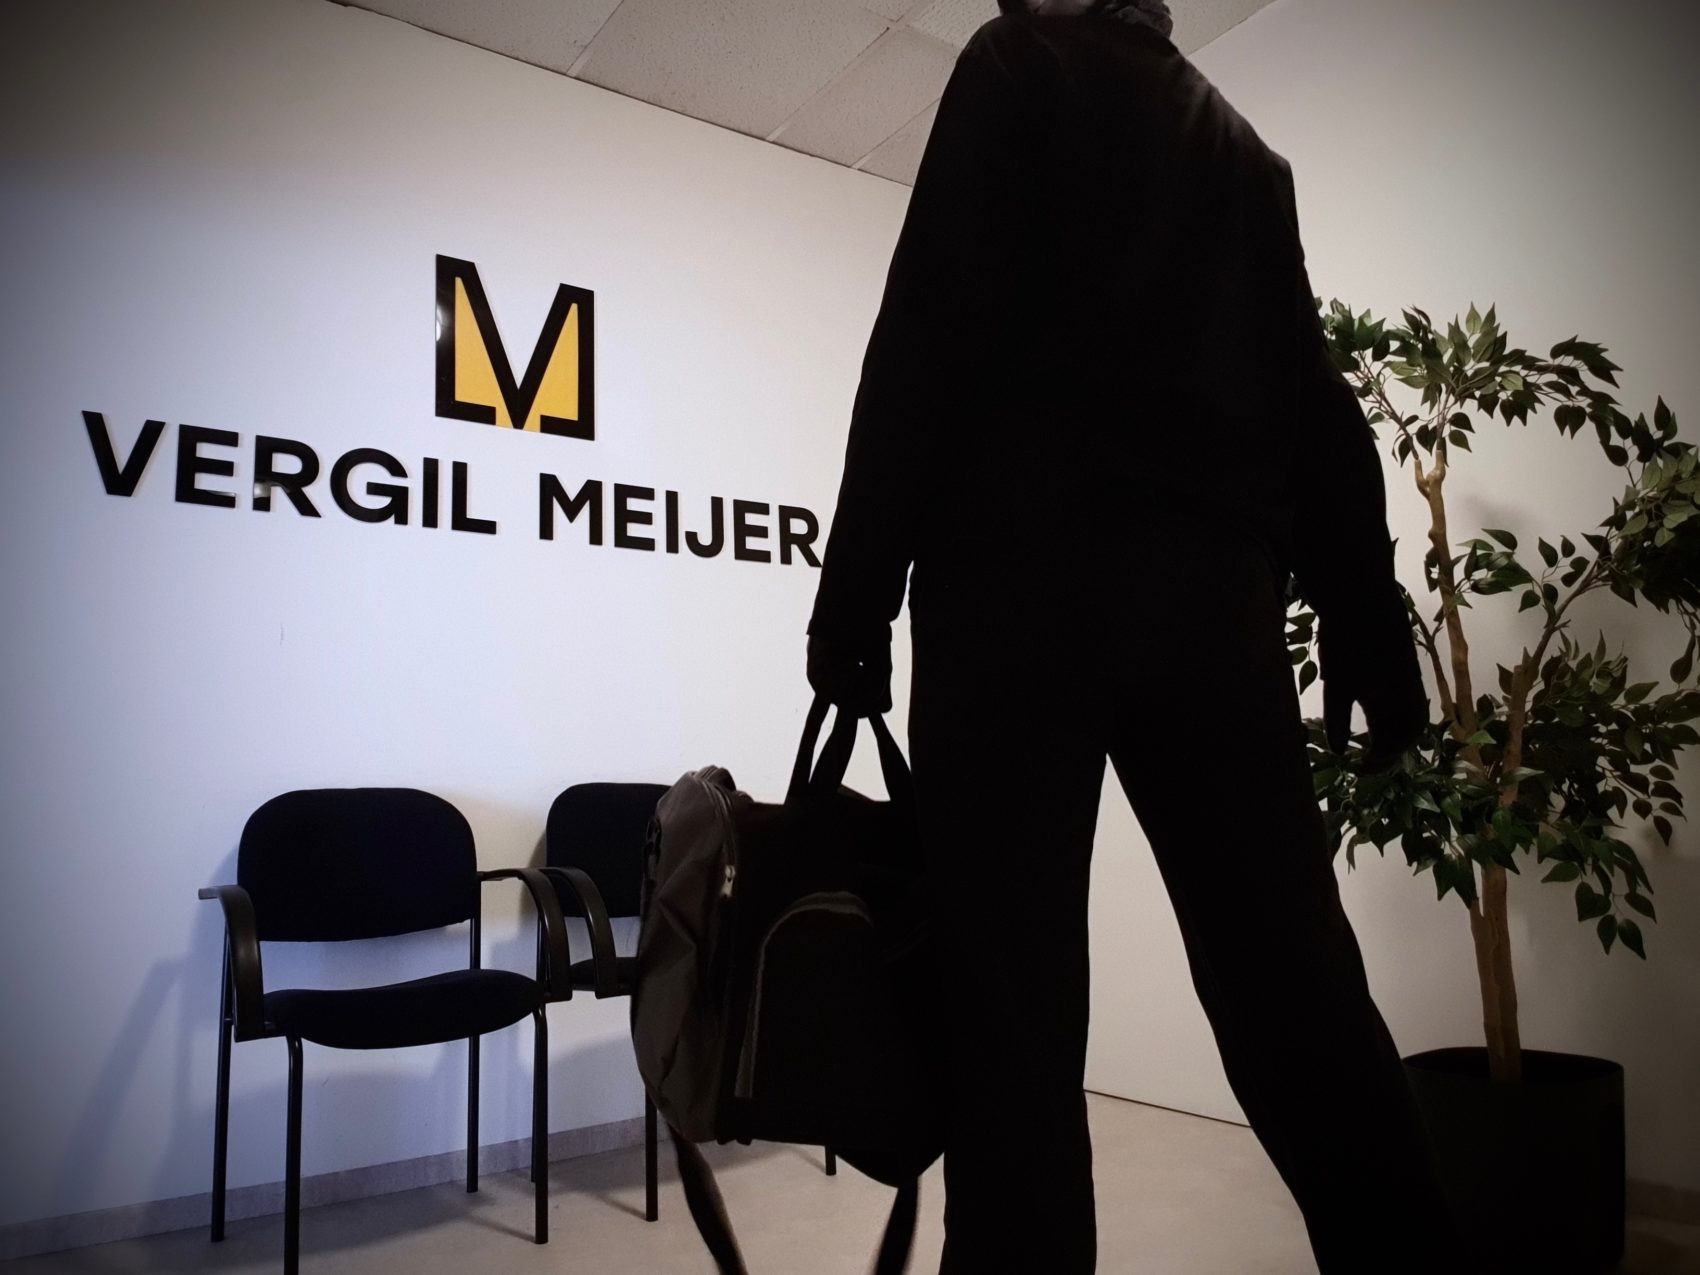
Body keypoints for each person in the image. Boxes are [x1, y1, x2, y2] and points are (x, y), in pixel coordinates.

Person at [806, 0, 1462, 1271]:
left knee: (1011, 1024)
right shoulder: (1245, 159)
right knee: (1293, 991)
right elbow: (1316, 409)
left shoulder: (1015, 64)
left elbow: (924, 336)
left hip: (1012, 599)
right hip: (1213, 613)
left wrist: (852, 603)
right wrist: (1366, 628)